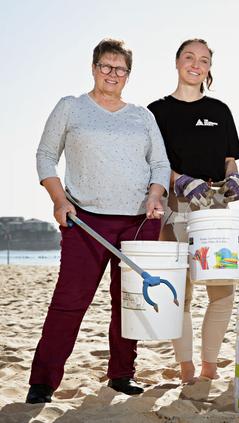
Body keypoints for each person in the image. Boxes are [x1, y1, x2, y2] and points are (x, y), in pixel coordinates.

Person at [28, 38, 171, 403]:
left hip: (138, 222)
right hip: (85, 222)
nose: (112, 74)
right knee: (69, 301)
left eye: (120, 68)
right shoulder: (71, 107)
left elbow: (160, 163)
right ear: (93, 68)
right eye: (106, 66)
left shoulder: (142, 116)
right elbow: (46, 155)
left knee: (127, 304)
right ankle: (43, 382)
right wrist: (59, 200)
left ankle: (122, 374)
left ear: (128, 74)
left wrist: (156, 195)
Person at [148, 39, 239, 384]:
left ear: (209, 68)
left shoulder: (220, 111)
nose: (195, 64)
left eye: (203, 60)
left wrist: (235, 179)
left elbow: (229, 159)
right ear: (177, 62)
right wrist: (180, 180)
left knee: (222, 292)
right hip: (176, 208)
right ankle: (186, 366)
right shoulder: (155, 111)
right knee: (181, 293)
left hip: (217, 210)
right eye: (189, 57)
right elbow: (153, 163)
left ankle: (209, 363)